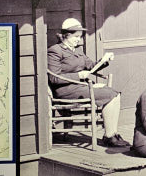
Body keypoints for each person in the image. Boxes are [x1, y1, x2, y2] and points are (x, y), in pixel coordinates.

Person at [47, 17, 129, 148]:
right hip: (66, 90)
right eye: (76, 36)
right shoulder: (55, 50)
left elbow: (91, 66)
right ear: (66, 35)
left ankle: (112, 133)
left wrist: (104, 60)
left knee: (115, 94)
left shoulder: (77, 50)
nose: (79, 40)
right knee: (111, 94)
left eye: (80, 36)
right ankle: (109, 136)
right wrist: (78, 75)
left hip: (81, 87)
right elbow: (54, 78)